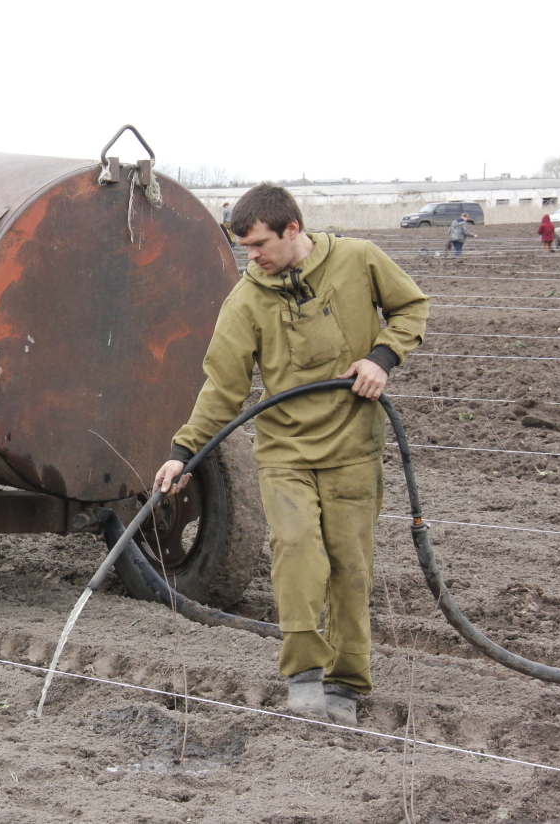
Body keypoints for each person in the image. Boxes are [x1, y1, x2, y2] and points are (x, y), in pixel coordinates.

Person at [152, 184, 429, 727]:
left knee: (351, 565)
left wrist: (381, 357)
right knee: (297, 551)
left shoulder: (359, 260)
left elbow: (411, 307)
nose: (251, 256)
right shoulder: (247, 299)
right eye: (245, 247)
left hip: (353, 446)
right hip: (285, 453)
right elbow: (222, 388)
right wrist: (183, 452)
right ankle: (304, 676)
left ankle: (347, 682)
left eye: (258, 244)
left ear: (293, 230)